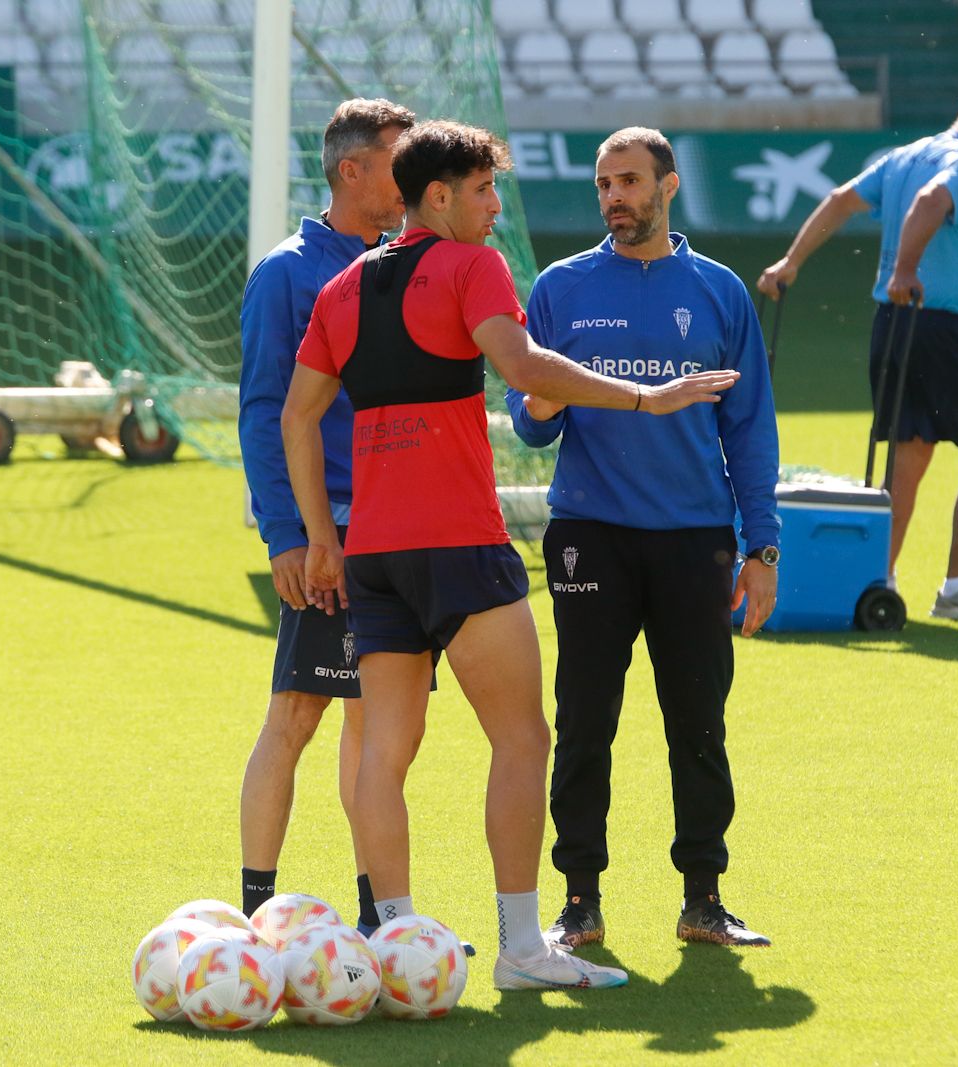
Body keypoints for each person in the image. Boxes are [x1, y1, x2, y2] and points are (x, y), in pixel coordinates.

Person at [281, 119, 741, 989]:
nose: (498, 209)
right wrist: (647, 397)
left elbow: (296, 415)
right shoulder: (469, 265)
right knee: (524, 737)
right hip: (459, 544)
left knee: (385, 751)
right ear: (442, 197)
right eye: (487, 191)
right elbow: (524, 366)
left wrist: (320, 537)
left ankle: (399, 946)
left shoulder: (343, 286)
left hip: (375, 552)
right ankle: (523, 947)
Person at [505, 127, 780, 951]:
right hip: (590, 532)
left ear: (668, 188)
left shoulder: (721, 292)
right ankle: (579, 900)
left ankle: (704, 897)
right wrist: (545, 400)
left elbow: (751, 429)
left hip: (695, 537)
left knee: (698, 720)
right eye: (602, 184)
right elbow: (530, 422)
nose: (612, 197)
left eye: (628, 181)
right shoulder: (559, 288)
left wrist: (760, 547)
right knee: (585, 719)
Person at [236, 98, 416, 931]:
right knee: (297, 714)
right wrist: (290, 534)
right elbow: (266, 409)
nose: (411, 175)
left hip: (403, 530)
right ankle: (254, 914)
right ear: (352, 171)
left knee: (380, 725)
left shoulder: (410, 259)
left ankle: (378, 918)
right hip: (328, 532)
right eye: (396, 159)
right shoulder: (288, 272)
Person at [757, 89, 958, 621]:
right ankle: (957, 589)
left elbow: (839, 200)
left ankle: (872, 581)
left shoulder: (905, 156)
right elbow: (931, 202)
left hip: (893, 321)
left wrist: (791, 262)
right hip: (940, 326)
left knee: (908, 458)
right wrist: (906, 269)